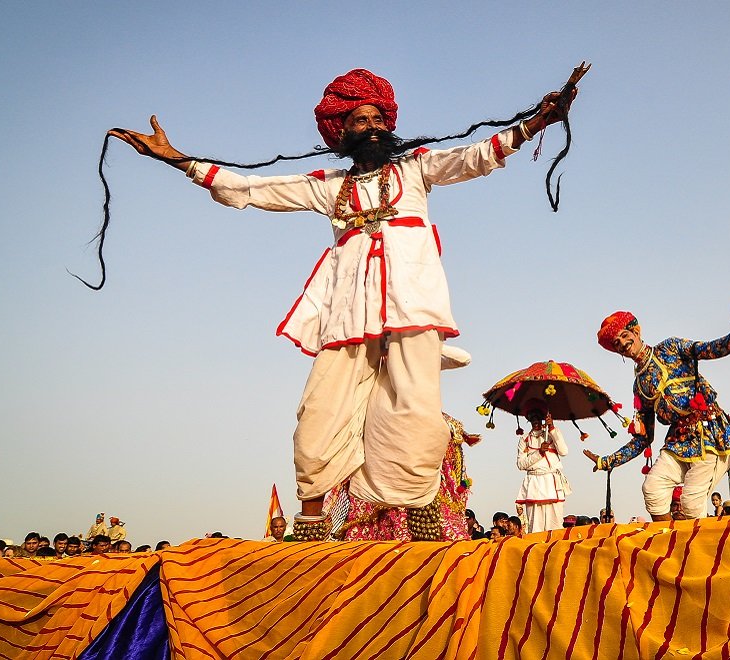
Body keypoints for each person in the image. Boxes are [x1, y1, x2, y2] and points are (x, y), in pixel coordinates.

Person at [109, 69, 578, 540]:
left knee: (415, 408)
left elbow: (475, 157)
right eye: (360, 119)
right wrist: (178, 161)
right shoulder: (327, 184)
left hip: (414, 306)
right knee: (319, 410)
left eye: (378, 117)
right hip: (347, 314)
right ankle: (311, 521)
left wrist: (539, 120)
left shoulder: (415, 168)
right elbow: (255, 190)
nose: (372, 125)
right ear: (342, 132)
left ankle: (419, 515)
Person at [584, 301, 730, 520]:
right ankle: (669, 545)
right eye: (617, 343)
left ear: (637, 332)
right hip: (679, 441)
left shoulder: (670, 348)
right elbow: (643, 439)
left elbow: (710, 349)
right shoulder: (640, 386)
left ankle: (701, 552)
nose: (623, 344)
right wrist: (608, 461)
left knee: (691, 502)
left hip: (710, 433)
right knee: (652, 488)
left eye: (625, 336)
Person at [514, 403, 572, 533]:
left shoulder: (552, 434)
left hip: (552, 482)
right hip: (534, 483)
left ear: (543, 418)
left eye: (537, 417)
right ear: (528, 419)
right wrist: (539, 453)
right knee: (536, 526)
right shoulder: (525, 440)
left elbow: (564, 451)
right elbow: (520, 464)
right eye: (532, 417)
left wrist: (551, 427)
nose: (535, 420)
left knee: (555, 525)